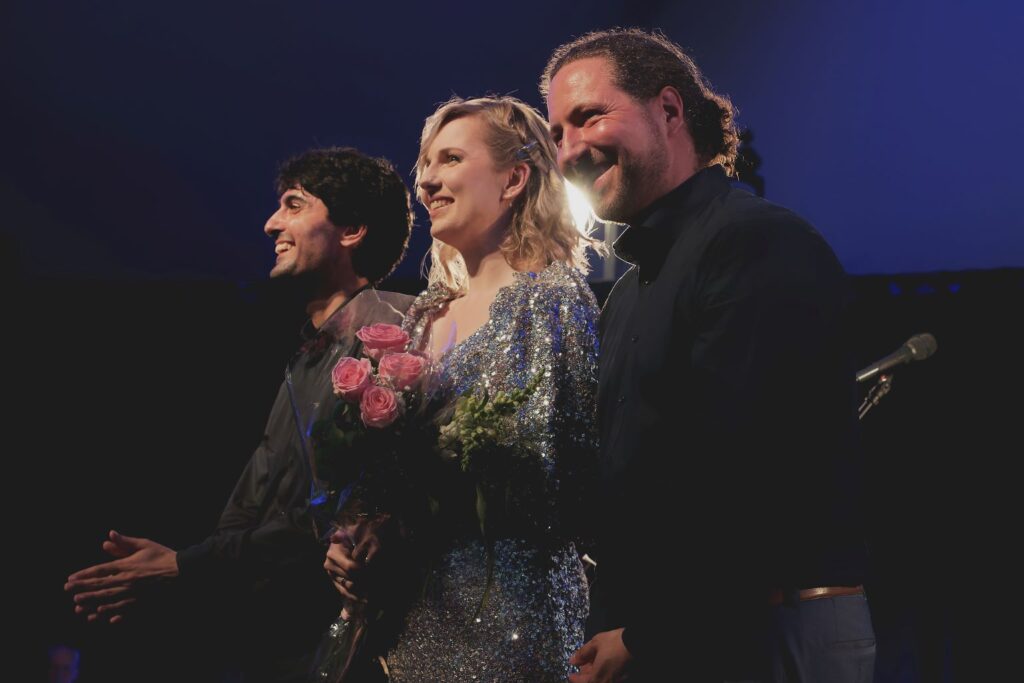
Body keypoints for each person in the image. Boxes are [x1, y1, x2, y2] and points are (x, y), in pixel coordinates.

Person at [542, 28, 875, 683]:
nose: (569, 150)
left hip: (762, 631)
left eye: (589, 116)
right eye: (556, 133)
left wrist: (649, 635)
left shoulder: (754, 241)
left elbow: (751, 473)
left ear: (669, 111)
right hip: (680, 632)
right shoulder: (635, 286)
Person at [63, 147, 415, 682]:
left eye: (294, 205)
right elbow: (258, 499)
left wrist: (187, 565)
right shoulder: (308, 355)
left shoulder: (391, 339)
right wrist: (179, 570)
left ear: (352, 230)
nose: (271, 223)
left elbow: (327, 521)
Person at [322, 96, 603, 682]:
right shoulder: (418, 318)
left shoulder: (553, 302)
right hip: (412, 619)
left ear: (514, 179)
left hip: (514, 621)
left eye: (449, 159)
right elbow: (379, 469)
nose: (425, 181)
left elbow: (578, 479)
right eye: (424, 164)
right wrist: (358, 528)